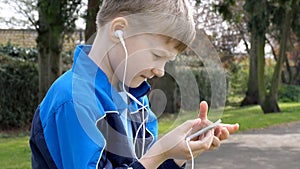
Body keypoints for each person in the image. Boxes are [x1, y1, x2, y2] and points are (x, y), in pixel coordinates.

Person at [29, 0, 239, 168]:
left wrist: (176, 155)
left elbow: (141, 165)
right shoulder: (74, 100)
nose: (160, 70)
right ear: (118, 30)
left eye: (167, 61)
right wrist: (160, 152)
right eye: (157, 55)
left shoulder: (136, 101)